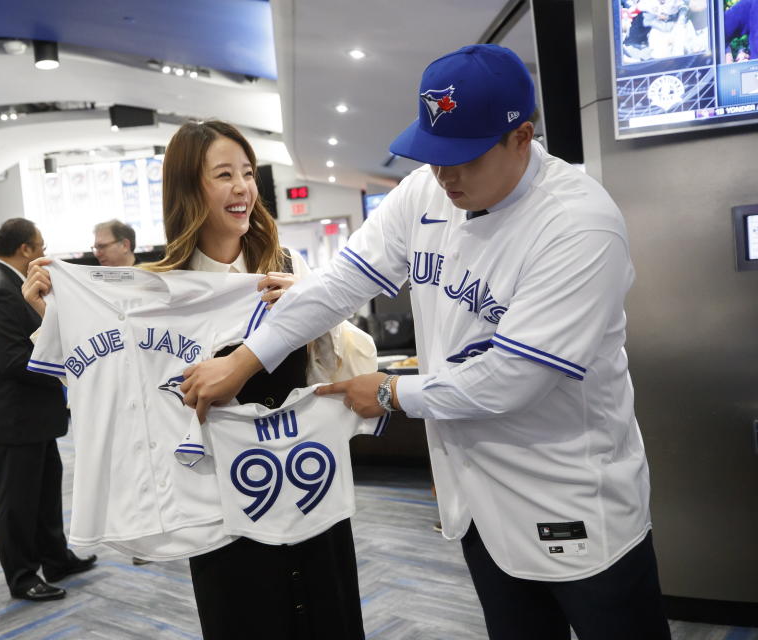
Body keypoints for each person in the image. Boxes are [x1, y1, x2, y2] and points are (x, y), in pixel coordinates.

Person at [181, 45, 671, 640]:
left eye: (463, 156)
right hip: (477, 499)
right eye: (435, 155)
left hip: (570, 494)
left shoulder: (578, 225)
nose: (445, 175)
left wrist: (391, 393)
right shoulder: (425, 193)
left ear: (522, 137)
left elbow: (515, 376)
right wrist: (246, 359)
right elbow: (339, 284)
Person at [22, 121, 365, 639]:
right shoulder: (157, 292)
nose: (242, 188)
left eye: (247, 173)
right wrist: (57, 314)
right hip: (221, 513)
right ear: (188, 190)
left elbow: (351, 368)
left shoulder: (288, 268)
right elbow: (118, 390)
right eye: (223, 175)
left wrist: (312, 305)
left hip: (308, 487)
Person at [0, 218, 96, 602]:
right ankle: (23, 576)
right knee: (17, 502)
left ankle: (55, 558)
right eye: (39, 247)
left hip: (32, 416)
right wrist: (69, 370)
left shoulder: (10, 284)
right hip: (13, 418)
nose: (42, 253)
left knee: (43, 492)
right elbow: (12, 360)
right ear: (24, 249)